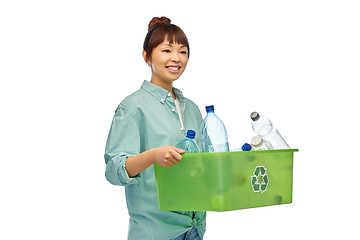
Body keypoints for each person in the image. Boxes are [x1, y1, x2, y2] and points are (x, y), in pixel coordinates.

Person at [104, 17, 206, 240]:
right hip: (156, 233)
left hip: (195, 230)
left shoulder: (194, 110)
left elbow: (203, 164)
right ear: (147, 56)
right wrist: (152, 156)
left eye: (183, 51)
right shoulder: (132, 107)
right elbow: (114, 169)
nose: (176, 58)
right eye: (166, 50)